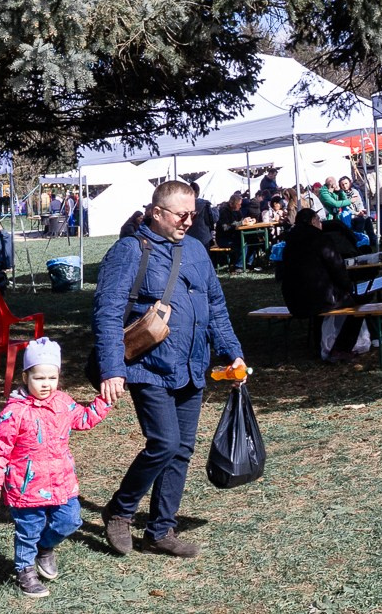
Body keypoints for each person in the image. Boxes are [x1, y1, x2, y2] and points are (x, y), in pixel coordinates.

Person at [91, 179, 247, 560]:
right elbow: (108, 313)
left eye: (193, 214)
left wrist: (232, 353)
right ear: (156, 212)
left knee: (181, 450)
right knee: (163, 443)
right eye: (181, 214)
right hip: (149, 366)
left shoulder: (195, 249)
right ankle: (120, 510)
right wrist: (113, 369)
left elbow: (215, 307)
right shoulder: (129, 251)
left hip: (193, 364)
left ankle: (161, 531)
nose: (188, 221)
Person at [0, 336, 114, 598]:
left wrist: (104, 400)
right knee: (28, 530)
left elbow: (84, 419)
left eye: (52, 378)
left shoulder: (63, 403)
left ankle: (45, 547)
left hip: (61, 483)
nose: (46, 385)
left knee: (71, 519)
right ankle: (25, 570)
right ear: (25, 377)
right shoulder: (14, 412)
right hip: (26, 488)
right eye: (39, 378)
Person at [274, 206, 365, 362]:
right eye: (319, 220)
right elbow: (337, 267)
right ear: (313, 221)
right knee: (358, 306)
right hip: (319, 296)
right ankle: (341, 349)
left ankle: (320, 347)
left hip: (293, 299)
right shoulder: (321, 239)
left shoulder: (289, 242)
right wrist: (348, 287)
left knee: (318, 306)